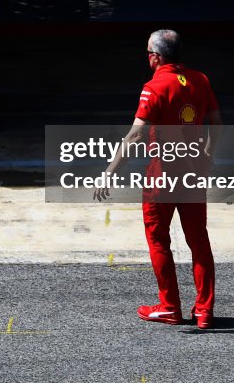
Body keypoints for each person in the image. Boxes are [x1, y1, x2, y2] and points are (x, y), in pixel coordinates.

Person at [94, 30, 222, 329]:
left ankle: (169, 308)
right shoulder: (200, 79)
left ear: (156, 56)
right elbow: (215, 122)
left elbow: (137, 134)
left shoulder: (154, 87)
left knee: (158, 239)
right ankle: (204, 311)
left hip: (163, 173)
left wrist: (109, 171)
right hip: (193, 170)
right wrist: (208, 154)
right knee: (198, 240)